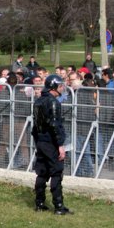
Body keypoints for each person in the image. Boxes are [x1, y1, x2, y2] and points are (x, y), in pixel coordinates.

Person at [31, 75, 71, 215]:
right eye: (59, 86)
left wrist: (38, 141)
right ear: (53, 87)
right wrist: (60, 145)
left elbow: (36, 126)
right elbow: (54, 125)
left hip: (41, 141)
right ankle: (59, 206)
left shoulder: (38, 101)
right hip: (50, 142)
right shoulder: (53, 102)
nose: (61, 88)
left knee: (42, 172)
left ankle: (39, 203)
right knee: (56, 172)